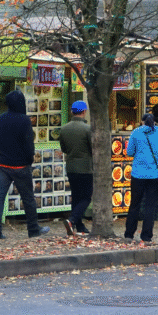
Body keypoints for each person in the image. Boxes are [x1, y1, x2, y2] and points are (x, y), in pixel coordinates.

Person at [0, 89, 50, 240]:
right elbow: (28, 144)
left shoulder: (0, 119)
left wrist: (1, 157)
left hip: (3, 165)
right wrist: (29, 159)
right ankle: (33, 229)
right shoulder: (24, 120)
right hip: (21, 166)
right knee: (28, 198)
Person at [124, 113, 158, 245]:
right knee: (150, 205)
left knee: (135, 204)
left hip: (138, 174)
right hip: (155, 174)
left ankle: (129, 235)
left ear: (142, 121)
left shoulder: (136, 132)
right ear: (154, 122)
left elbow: (130, 152)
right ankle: (146, 236)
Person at [59, 100, 93, 236]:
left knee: (76, 196)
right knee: (86, 197)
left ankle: (79, 225)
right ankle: (72, 220)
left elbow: (64, 149)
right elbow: (92, 148)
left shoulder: (64, 129)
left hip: (71, 167)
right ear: (84, 112)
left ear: (72, 112)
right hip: (85, 168)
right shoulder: (88, 129)